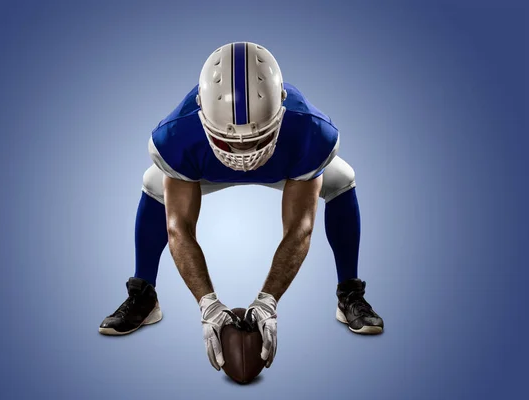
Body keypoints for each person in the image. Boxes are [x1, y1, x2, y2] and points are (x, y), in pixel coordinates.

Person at [99, 42, 384, 371]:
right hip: (208, 166)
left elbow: (299, 229)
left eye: (256, 138)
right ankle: (144, 295)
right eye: (229, 139)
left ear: (283, 110)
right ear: (200, 111)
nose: (242, 153)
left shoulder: (309, 130)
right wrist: (208, 305)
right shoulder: (177, 135)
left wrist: (267, 302)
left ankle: (349, 292)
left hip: (283, 164)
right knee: (154, 185)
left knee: (341, 179)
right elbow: (180, 229)